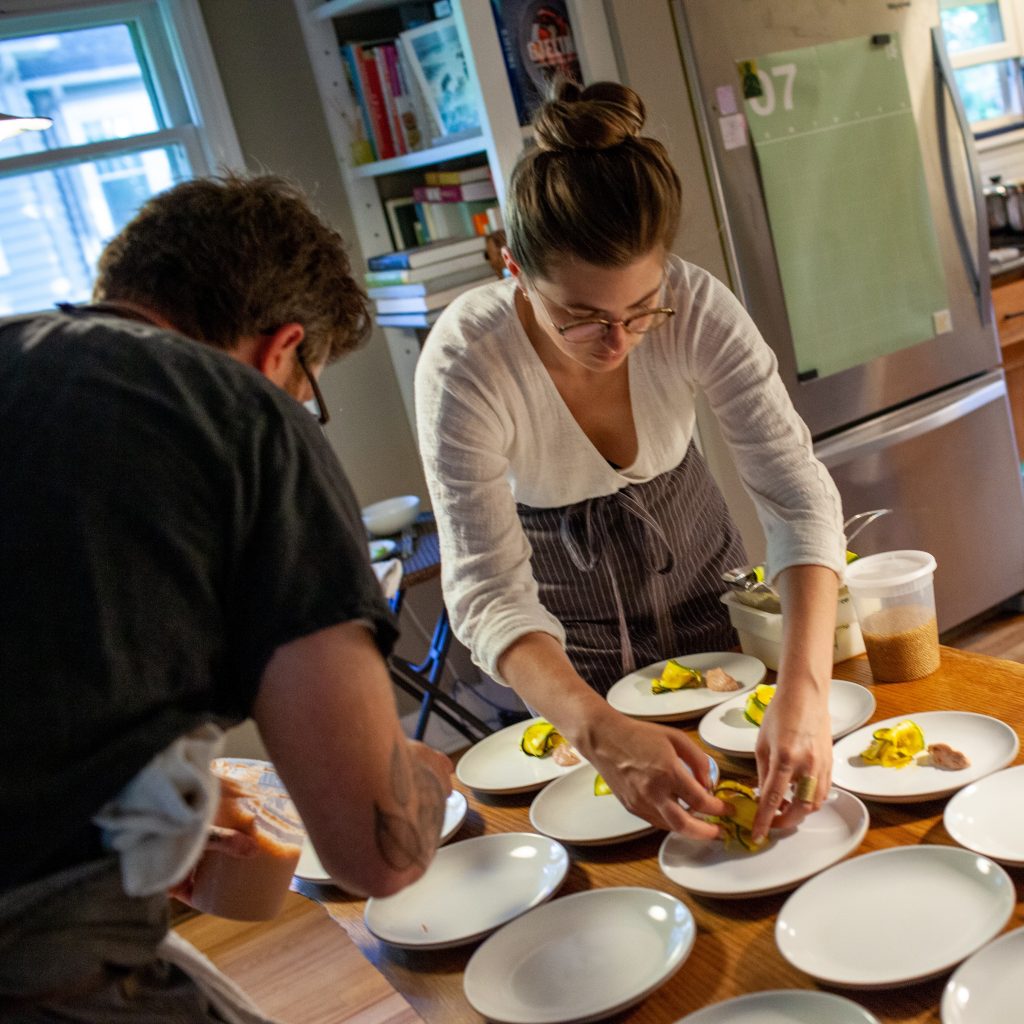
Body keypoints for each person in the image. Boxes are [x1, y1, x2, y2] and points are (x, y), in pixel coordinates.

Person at [0, 174, 451, 1022]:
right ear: (280, 349)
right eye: (306, 387)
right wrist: (423, 781)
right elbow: (376, 855)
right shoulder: (241, 415)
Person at [415, 80, 846, 844]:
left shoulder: (700, 308)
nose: (617, 343)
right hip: (562, 650)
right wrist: (602, 732)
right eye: (578, 317)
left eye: (641, 309)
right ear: (512, 266)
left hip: (704, 586)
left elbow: (798, 497)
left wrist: (806, 690)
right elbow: (486, 590)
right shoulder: (466, 364)